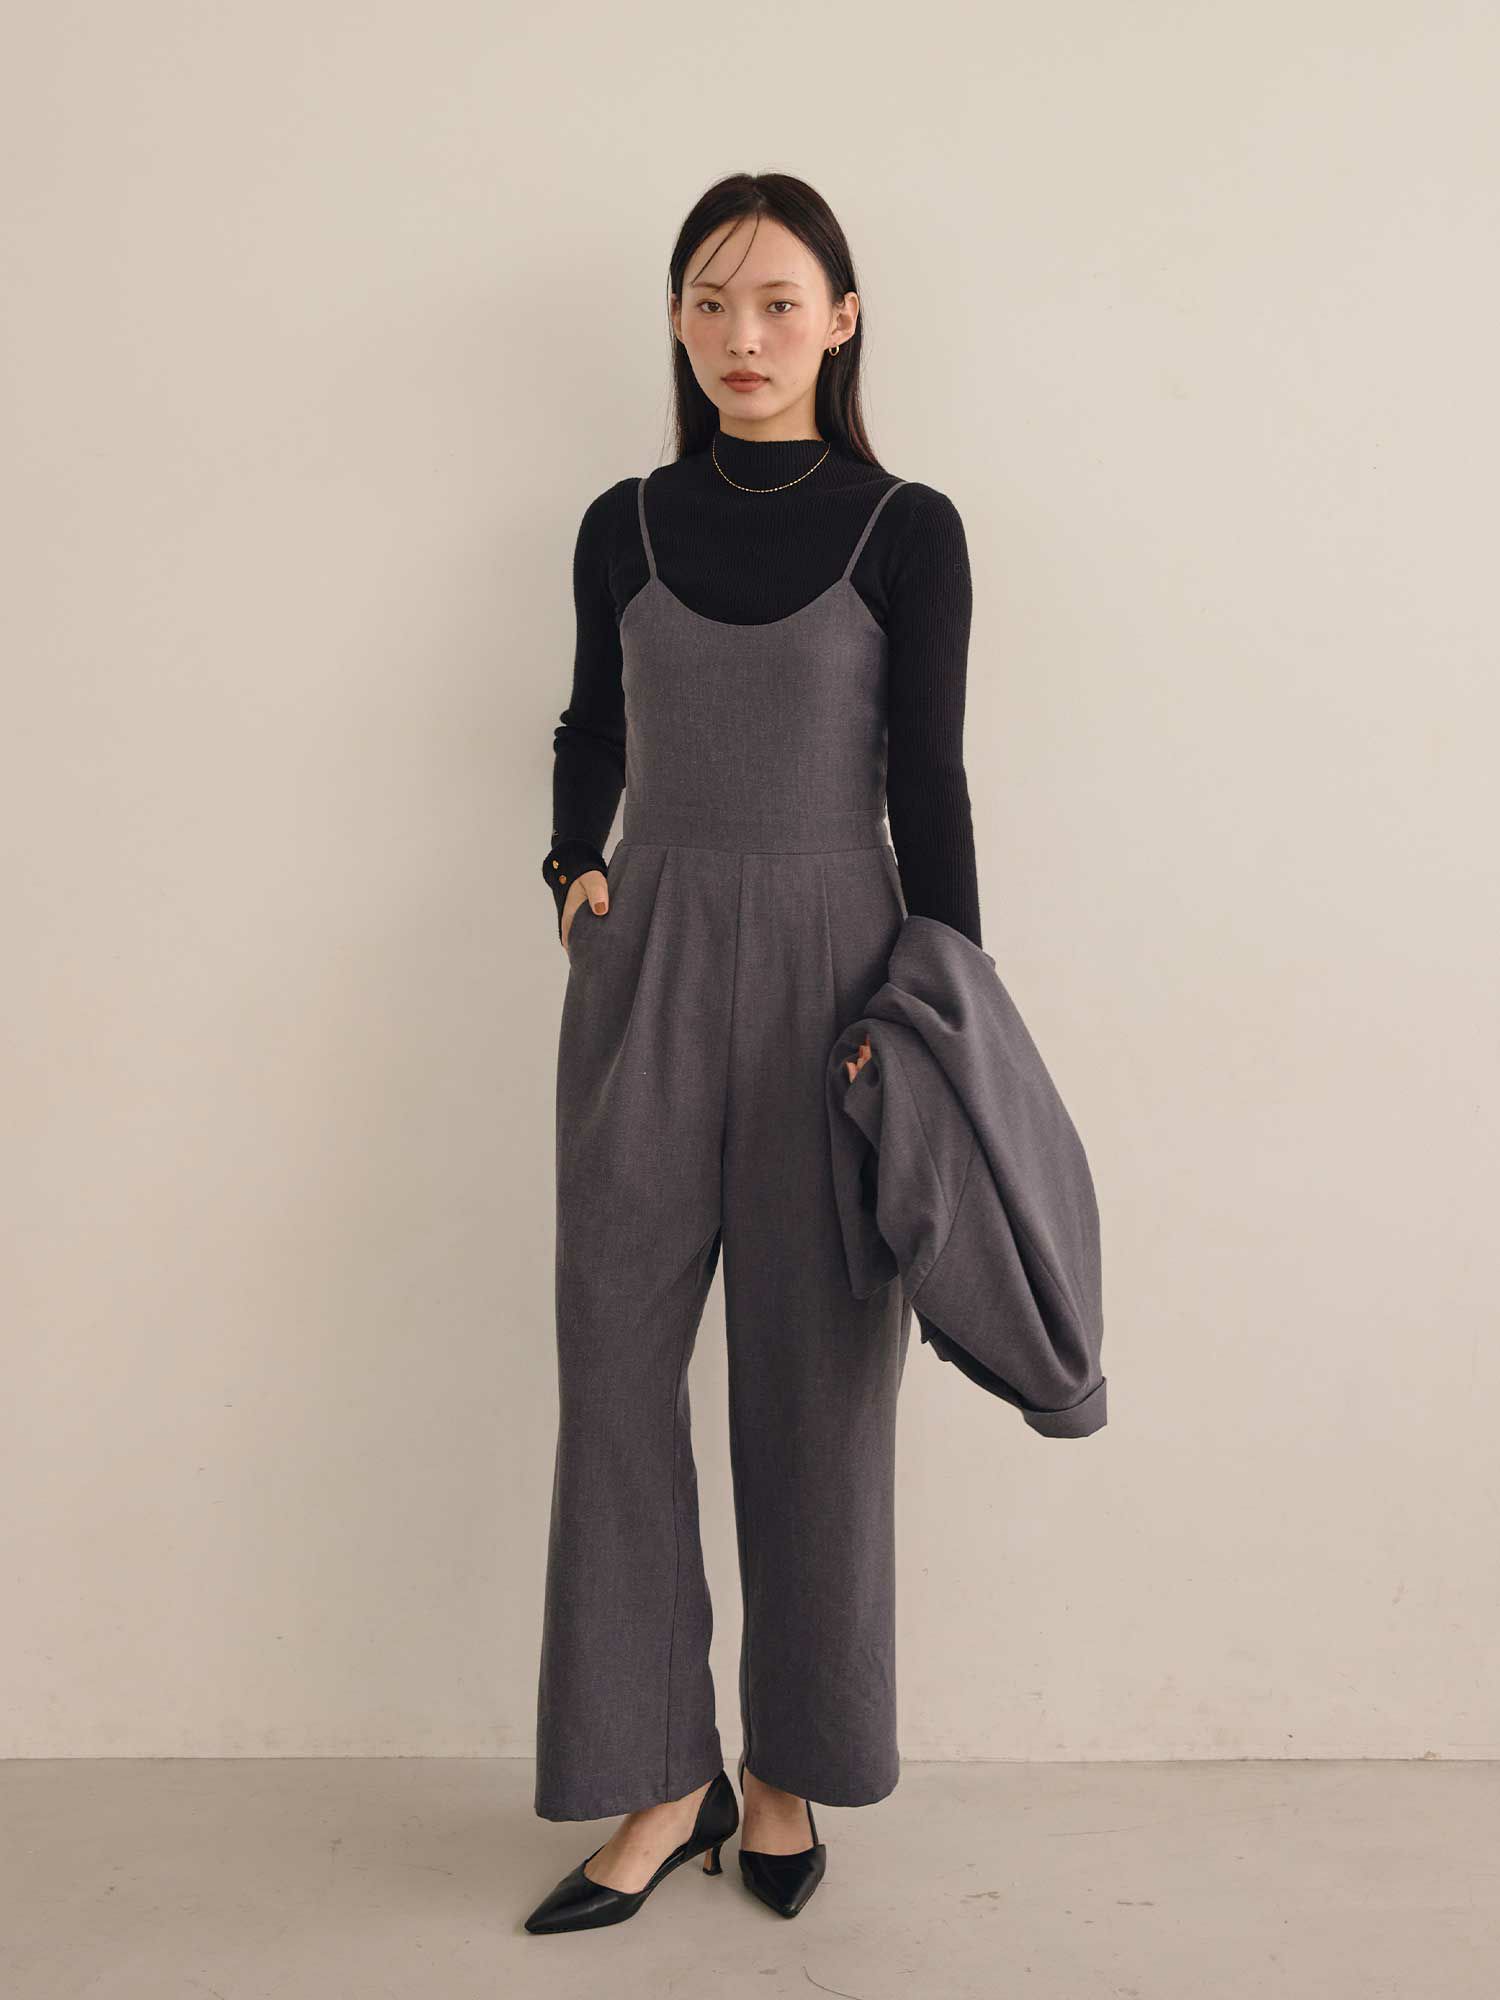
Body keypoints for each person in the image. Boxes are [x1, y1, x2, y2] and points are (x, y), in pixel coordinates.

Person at [525, 171, 982, 1935]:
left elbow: (928, 783)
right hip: (643, 969)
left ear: (842, 321)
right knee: (614, 1377)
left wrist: (939, 1014)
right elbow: (590, 723)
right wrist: (574, 872)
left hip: (837, 981)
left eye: (781, 300)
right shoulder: (623, 523)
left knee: (816, 1392)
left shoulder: (909, 529)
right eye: (711, 300)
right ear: (675, 320)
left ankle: (786, 1768)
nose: (744, 334)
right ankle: (663, 1774)